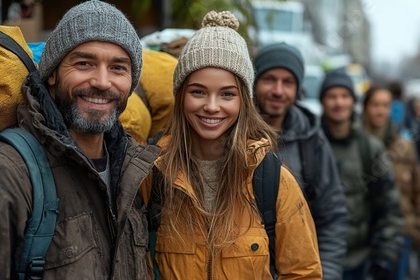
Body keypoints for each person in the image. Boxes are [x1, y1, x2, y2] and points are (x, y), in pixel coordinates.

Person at [0, 1, 160, 279]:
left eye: (118, 68)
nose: (102, 81)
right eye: (84, 63)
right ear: (52, 75)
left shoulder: (135, 171)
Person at [141, 11, 322, 279]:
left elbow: (303, 272)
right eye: (198, 91)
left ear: (244, 102)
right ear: (180, 97)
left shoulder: (271, 180)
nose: (212, 107)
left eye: (227, 94)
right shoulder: (152, 174)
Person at [253, 42, 349, 280]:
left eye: (288, 82)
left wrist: (327, 273)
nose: (278, 90)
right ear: (253, 83)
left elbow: (332, 215)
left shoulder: (312, 140)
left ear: (298, 89)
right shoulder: (232, 132)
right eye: (269, 79)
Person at [319, 69, 404, 280]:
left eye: (345, 96)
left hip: (358, 261)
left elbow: (389, 206)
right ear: (322, 101)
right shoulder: (310, 145)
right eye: (332, 96)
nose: (339, 103)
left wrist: (386, 253)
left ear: (353, 101)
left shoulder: (370, 148)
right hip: (315, 260)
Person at [362, 86, 420, 280]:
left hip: (401, 232)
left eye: (385, 105)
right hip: (366, 235)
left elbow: (419, 189)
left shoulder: (405, 146)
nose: (380, 110)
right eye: (375, 104)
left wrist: (417, 225)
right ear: (365, 107)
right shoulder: (357, 144)